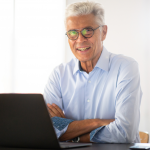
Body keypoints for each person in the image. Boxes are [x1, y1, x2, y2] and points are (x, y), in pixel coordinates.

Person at [43, 1, 142, 143]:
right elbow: (48, 131)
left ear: (104, 32)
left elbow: (124, 133)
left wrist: (72, 133)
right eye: (72, 33)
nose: (80, 40)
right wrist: (97, 122)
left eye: (88, 31)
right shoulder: (59, 74)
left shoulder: (126, 67)